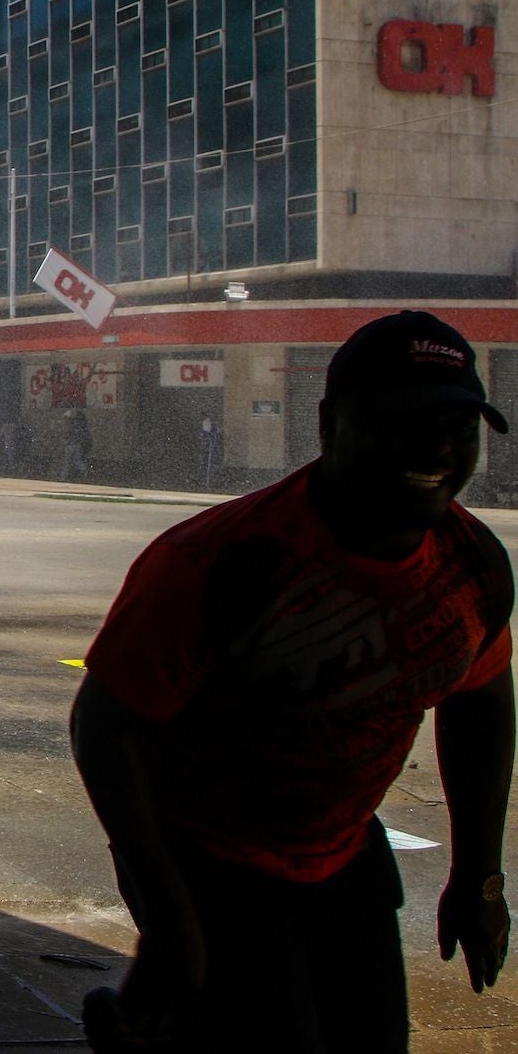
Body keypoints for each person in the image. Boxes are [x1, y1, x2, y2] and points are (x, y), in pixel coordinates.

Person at [71, 311, 514, 1051]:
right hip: (210, 854)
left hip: (343, 849)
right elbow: (105, 726)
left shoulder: (473, 566)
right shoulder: (222, 565)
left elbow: (482, 697)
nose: (435, 447)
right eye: (398, 420)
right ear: (328, 423)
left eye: (456, 424)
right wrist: (174, 920)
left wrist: (479, 876)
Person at [198, 414, 223, 491]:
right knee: (207, 464)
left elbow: (216, 437)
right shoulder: (207, 424)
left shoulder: (215, 425)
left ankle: (211, 481)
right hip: (209, 449)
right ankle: (206, 481)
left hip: (213, 449)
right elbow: (207, 437)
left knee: (212, 464)